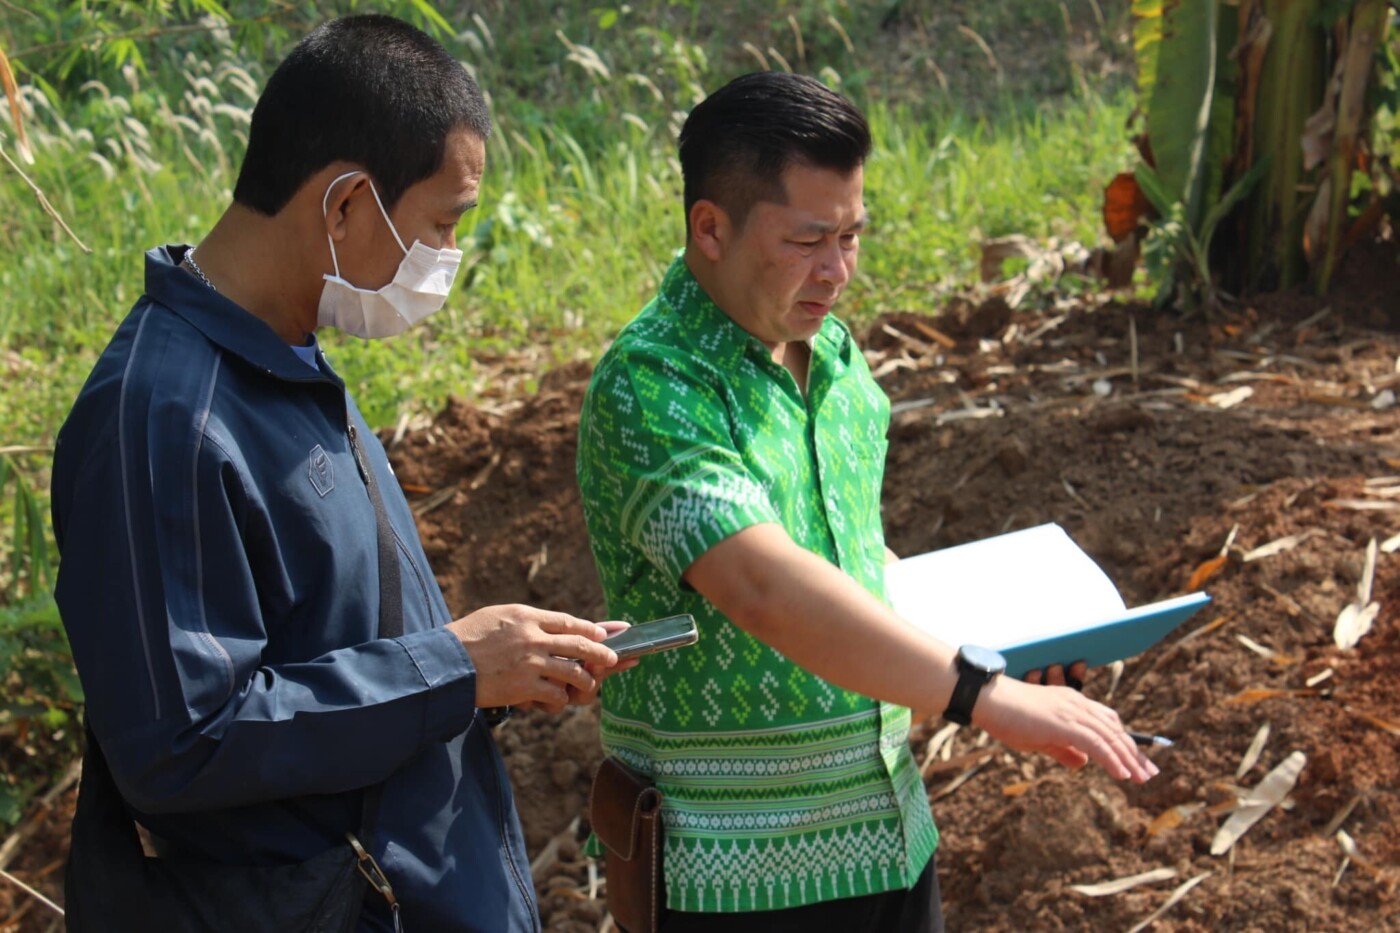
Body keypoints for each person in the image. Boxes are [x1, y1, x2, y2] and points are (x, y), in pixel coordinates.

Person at [51, 15, 625, 933]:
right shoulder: (163, 420)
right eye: (443, 224)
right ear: (346, 204)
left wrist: (499, 673)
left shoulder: (284, 353)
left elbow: (333, 639)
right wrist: (454, 669)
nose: (446, 261)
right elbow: (182, 742)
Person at [576, 71, 1158, 932]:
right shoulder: (654, 384)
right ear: (711, 227)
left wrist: (1004, 649)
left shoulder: (836, 358)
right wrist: (982, 695)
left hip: (887, 840)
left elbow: (858, 564)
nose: (839, 270)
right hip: (733, 875)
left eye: (852, 235)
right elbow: (763, 585)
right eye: (810, 239)